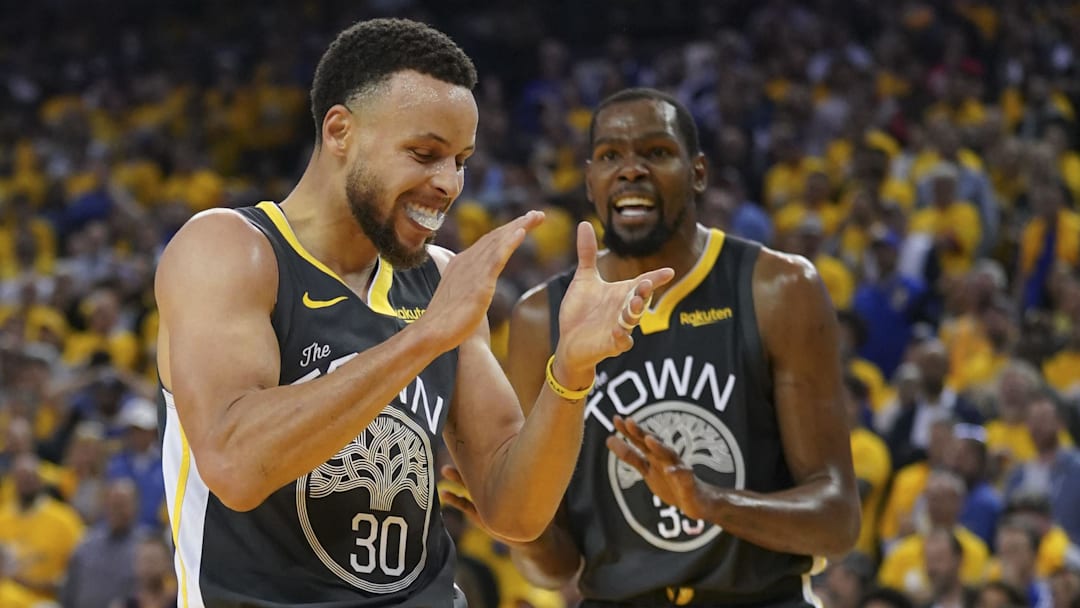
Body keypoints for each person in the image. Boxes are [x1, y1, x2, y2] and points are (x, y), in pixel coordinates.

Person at [153, 19, 673, 608]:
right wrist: (425, 336)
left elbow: (514, 509)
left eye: (460, 160)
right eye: (424, 154)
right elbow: (234, 464)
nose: (449, 183)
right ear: (340, 131)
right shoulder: (231, 250)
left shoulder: (442, 281)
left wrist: (570, 374)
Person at [443, 88, 860, 606]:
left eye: (656, 152)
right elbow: (558, 567)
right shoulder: (539, 318)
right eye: (610, 156)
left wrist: (709, 502)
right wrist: (516, 529)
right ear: (590, 181)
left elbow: (837, 522)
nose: (631, 170)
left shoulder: (778, 288)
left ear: (698, 172)